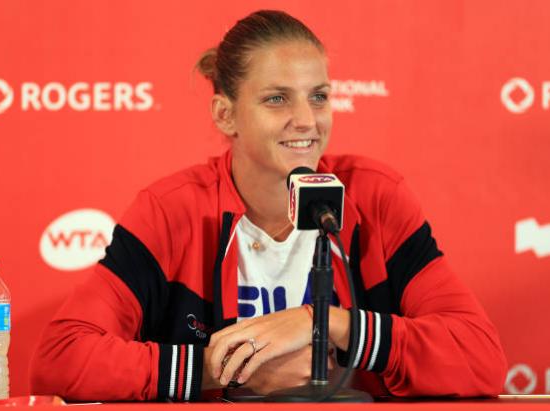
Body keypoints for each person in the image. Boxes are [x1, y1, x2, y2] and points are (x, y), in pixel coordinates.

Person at [29, 10, 507, 401]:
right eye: (277, 99)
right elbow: (61, 360)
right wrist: (226, 370)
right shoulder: (171, 210)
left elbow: (479, 357)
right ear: (226, 113)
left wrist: (323, 322)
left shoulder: (375, 195)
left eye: (318, 97)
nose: (306, 120)